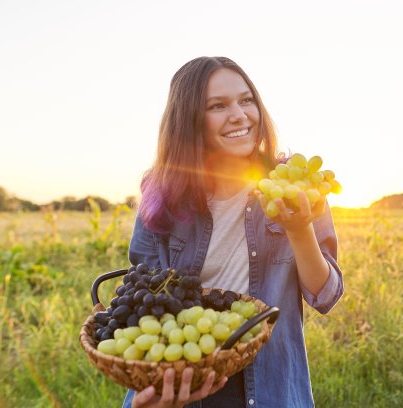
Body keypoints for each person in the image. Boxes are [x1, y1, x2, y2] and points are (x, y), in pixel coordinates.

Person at [121, 56, 344, 408]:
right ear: (190, 119)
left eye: (246, 99)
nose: (239, 115)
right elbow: (141, 303)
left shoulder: (292, 187)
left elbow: (326, 295)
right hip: (185, 383)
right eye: (217, 106)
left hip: (271, 387)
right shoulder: (162, 194)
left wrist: (299, 231)